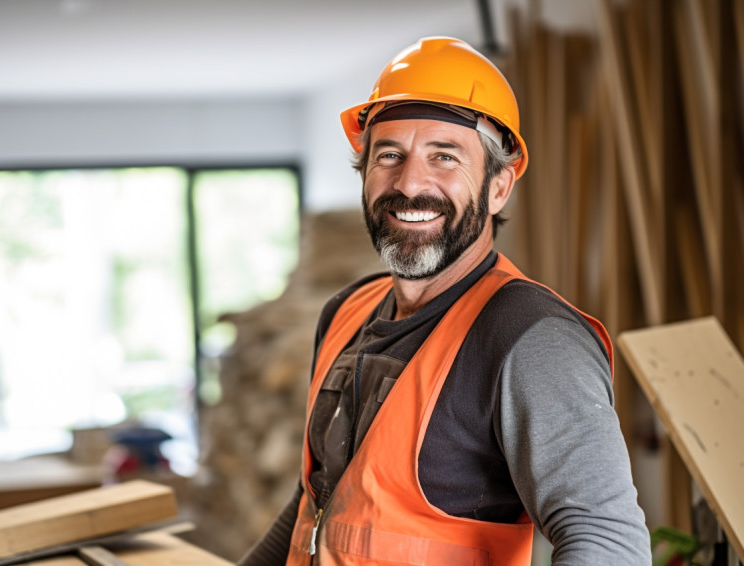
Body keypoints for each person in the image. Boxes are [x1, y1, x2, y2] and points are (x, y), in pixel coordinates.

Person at [240, 37, 651, 565]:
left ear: (498, 186)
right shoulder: (345, 313)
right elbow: (317, 504)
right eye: (389, 155)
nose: (410, 183)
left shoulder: (531, 337)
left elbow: (607, 542)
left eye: (444, 156)